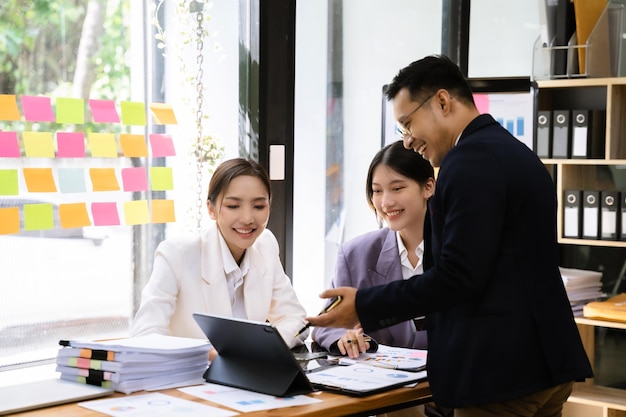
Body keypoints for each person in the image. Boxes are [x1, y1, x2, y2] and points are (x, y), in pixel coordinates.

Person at [306, 55, 593, 417]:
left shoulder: (466, 162)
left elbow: (458, 276)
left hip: (500, 374)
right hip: (547, 364)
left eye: (409, 123)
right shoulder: (516, 153)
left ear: (443, 101)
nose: (409, 141)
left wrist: (364, 304)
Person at [132, 158, 309, 359]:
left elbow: (295, 319)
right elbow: (145, 335)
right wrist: (205, 355)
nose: (247, 218)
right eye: (233, 206)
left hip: (249, 377)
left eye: (259, 206)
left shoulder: (265, 244)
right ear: (211, 209)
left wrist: (258, 347)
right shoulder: (177, 254)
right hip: (191, 380)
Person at [312, 140, 434, 359]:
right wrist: (344, 336)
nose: (385, 202)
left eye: (397, 188)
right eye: (377, 191)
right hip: (383, 385)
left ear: (428, 187)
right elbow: (325, 323)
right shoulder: (356, 254)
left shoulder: (457, 250)